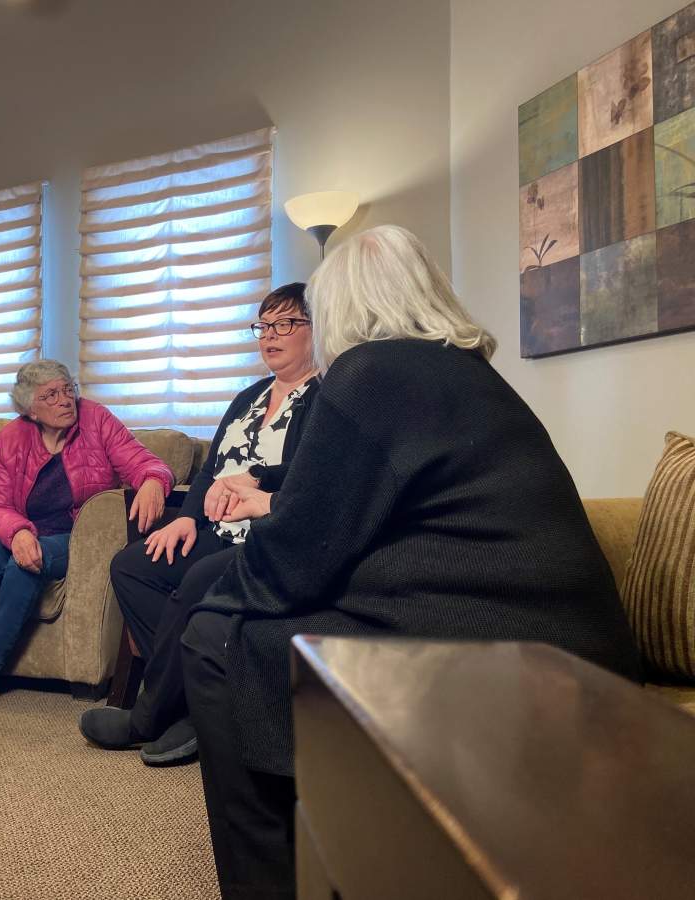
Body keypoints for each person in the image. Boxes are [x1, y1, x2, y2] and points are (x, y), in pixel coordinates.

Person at [182, 225, 643, 899]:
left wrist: (218, 598)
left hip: (505, 659)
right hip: (569, 648)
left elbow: (296, 557)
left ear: (339, 309)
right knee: (241, 617)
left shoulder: (373, 373)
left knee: (214, 639)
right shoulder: (468, 376)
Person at [79, 283, 320, 766]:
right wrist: (186, 520)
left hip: (268, 536)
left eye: (285, 324)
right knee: (132, 565)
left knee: (194, 580)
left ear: (316, 330)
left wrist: (255, 476)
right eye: (263, 326)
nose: (270, 336)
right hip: (215, 532)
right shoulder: (248, 397)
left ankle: (147, 716)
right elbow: (210, 468)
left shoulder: (324, 396)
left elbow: (312, 475)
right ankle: (194, 703)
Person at [0, 360, 175, 714]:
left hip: (73, 535)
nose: (65, 399)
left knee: (25, 564)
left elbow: (145, 461)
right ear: (30, 408)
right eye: (51, 394)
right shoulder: (11, 437)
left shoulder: (97, 420)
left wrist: (153, 480)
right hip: (16, 526)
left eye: (68, 388)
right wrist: (18, 532)